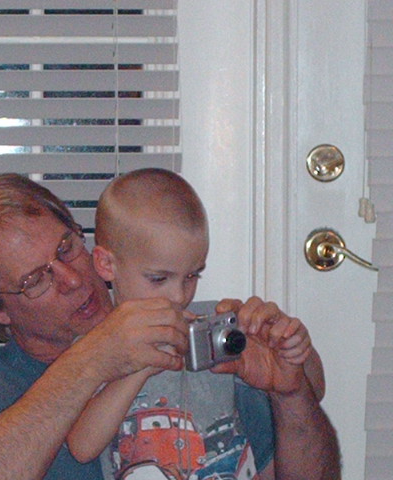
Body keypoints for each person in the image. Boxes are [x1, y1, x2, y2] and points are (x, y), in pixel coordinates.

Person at [0, 173, 340, 480]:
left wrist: (291, 393)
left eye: (66, 248)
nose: (72, 279)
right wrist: (94, 361)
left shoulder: (201, 337)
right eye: (36, 280)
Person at [65, 168, 326, 479]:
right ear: (107, 264)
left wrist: (294, 353)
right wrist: (143, 364)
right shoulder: (94, 347)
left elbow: (314, 389)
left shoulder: (211, 327)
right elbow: (82, 446)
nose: (179, 295)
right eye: (159, 278)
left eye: (192, 275)